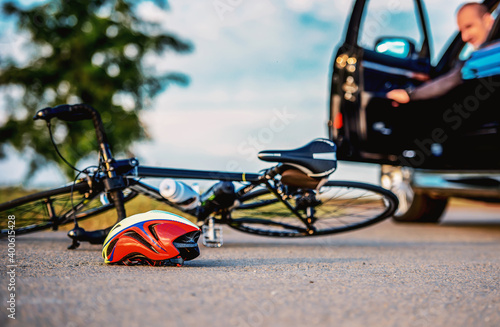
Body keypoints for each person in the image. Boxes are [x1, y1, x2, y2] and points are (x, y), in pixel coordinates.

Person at [386, 2, 495, 104]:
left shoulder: (482, 59)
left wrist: (410, 95)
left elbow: (453, 79)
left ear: (487, 20)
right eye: (462, 31)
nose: (464, 37)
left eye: (469, 26)